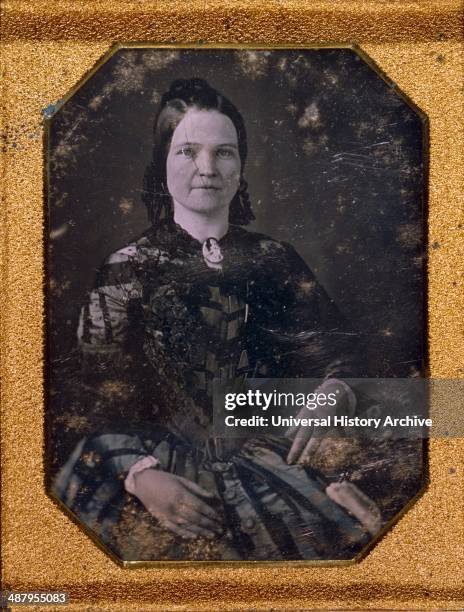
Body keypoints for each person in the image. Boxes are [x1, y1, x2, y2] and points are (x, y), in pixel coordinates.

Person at [53, 78, 380, 562]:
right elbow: (90, 396)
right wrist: (139, 475)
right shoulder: (126, 267)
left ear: (241, 165)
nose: (207, 168)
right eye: (187, 151)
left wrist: (338, 388)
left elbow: (342, 353)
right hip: (164, 468)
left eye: (224, 153)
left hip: (279, 459)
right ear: (162, 163)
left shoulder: (276, 259)